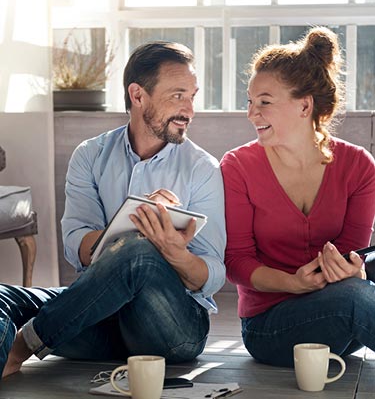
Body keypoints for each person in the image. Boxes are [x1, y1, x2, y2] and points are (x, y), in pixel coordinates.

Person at [1, 41, 226, 378]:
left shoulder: (203, 168)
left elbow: (212, 275)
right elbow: (77, 247)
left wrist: (171, 250)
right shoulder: (90, 155)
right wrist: (136, 221)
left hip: (171, 332)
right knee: (3, 296)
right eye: (178, 95)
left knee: (138, 251)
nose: (189, 110)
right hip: (99, 319)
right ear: (138, 95)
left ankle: (20, 348)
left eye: (192, 96)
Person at [220, 26, 375, 368]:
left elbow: (354, 253)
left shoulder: (358, 166)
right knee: (354, 297)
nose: (252, 113)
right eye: (250, 102)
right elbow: (237, 262)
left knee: (356, 290)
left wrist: (351, 270)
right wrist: (293, 284)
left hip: (343, 315)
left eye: (265, 103)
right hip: (270, 328)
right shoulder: (237, 167)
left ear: (304, 106)